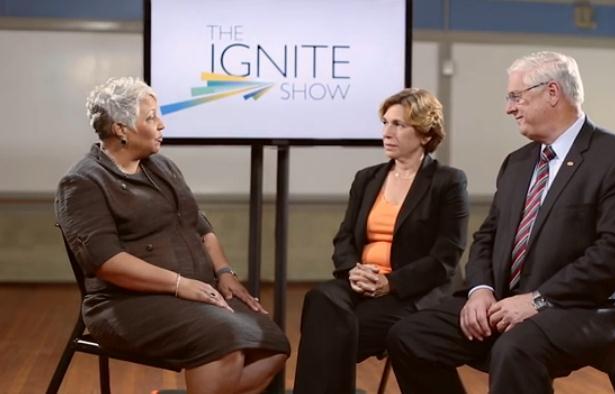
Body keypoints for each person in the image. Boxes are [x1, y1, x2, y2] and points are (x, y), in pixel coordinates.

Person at [386, 51, 615, 393]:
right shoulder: (517, 163)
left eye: (516, 97)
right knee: (409, 336)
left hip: (581, 307)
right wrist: (480, 291)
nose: (509, 108)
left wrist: (538, 299)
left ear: (552, 93)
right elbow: (487, 237)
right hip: (503, 299)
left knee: (515, 349)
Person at [55, 77, 290, 394]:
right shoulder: (82, 183)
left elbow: (200, 225)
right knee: (224, 341)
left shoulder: (162, 166)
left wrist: (224, 272)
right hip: (125, 303)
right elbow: (107, 262)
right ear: (121, 129)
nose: (162, 124)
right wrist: (180, 285)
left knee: (272, 342)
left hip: (197, 291)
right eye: (150, 117)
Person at [292, 88, 469, 393]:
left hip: (411, 289)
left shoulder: (448, 181)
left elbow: (446, 257)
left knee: (337, 332)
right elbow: (345, 238)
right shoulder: (367, 178)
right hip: (362, 280)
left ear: (426, 134)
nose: (387, 132)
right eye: (385, 123)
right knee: (320, 300)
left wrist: (391, 283)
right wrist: (355, 271)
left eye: (399, 125)